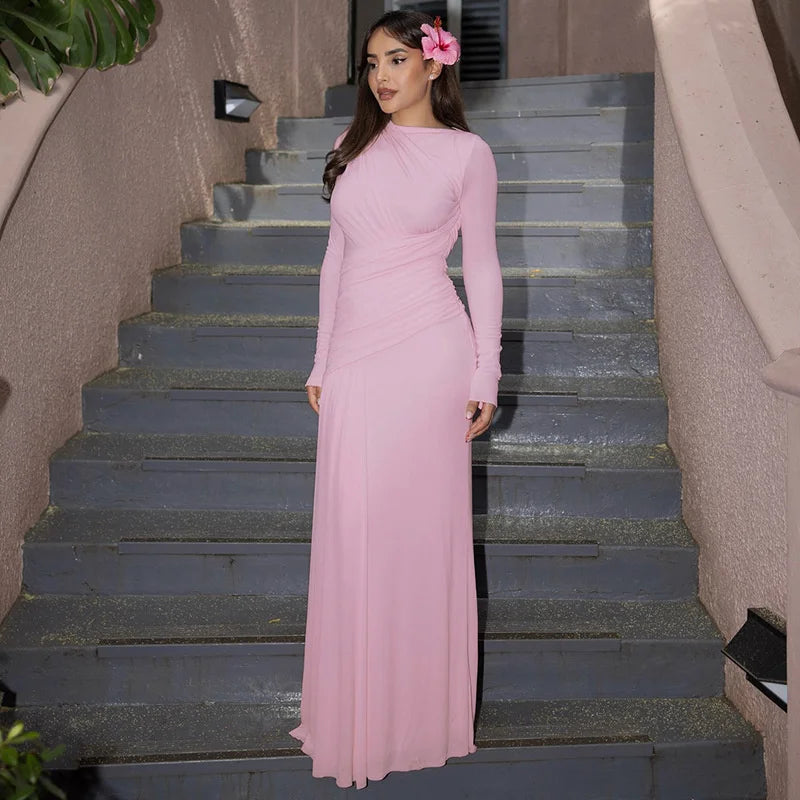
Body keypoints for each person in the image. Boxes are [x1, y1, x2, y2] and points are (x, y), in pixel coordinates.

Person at [288, 9, 503, 790]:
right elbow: (335, 261)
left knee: (416, 533)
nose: (381, 76)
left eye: (397, 60)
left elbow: (481, 267)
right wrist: (321, 359)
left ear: (433, 66)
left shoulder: (467, 154)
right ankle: (354, 708)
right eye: (372, 62)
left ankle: (416, 715)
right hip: (355, 361)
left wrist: (487, 372)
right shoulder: (351, 149)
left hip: (429, 356)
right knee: (354, 526)